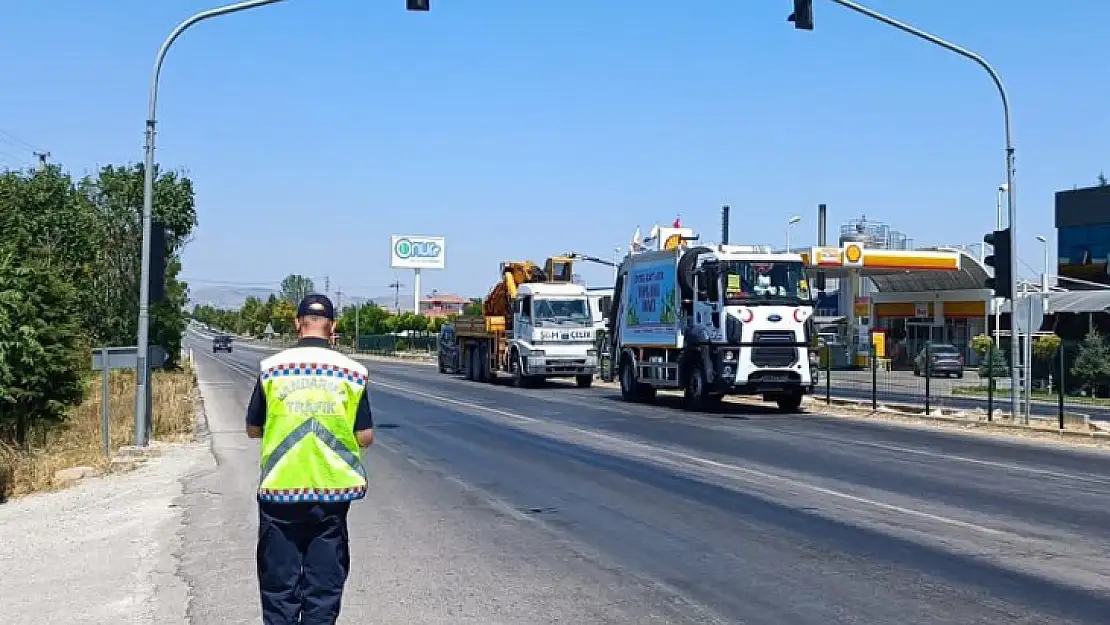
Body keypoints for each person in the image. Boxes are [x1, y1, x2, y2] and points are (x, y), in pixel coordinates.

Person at [246, 293, 374, 624]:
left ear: (296, 324)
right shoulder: (352, 373)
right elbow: (365, 437)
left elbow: (252, 428)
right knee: (323, 589)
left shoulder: (272, 370)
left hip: (281, 494)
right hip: (330, 497)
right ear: (333, 328)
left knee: (279, 589)